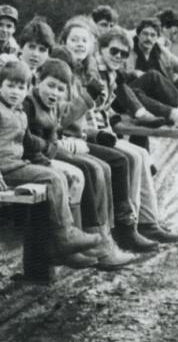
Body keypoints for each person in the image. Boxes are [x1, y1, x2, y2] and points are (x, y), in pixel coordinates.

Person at [56, 15, 178, 249]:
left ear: (91, 45)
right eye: (74, 40)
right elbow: (67, 115)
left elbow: (102, 108)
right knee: (126, 158)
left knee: (139, 155)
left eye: (124, 55)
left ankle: (144, 222)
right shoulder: (64, 69)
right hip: (75, 135)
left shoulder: (87, 69)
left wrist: (111, 120)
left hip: (89, 132)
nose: (118, 57)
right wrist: (97, 129)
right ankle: (123, 227)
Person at [0, 60, 102, 260]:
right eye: (10, 86)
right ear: (0, 86)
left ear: (27, 89)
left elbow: (27, 143)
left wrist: (45, 158)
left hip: (16, 165)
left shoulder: (19, 113)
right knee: (53, 179)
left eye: (20, 87)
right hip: (1, 169)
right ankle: (65, 235)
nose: (15, 92)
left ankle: (55, 244)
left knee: (57, 174)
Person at [27, 59, 135, 270]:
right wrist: (56, 145)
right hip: (36, 154)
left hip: (51, 149)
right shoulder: (30, 101)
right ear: (38, 80)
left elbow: (56, 127)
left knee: (100, 166)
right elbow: (29, 135)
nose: (55, 91)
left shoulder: (53, 102)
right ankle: (79, 243)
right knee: (84, 171)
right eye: (51, 85)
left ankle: (101, 237)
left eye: (60, 88)